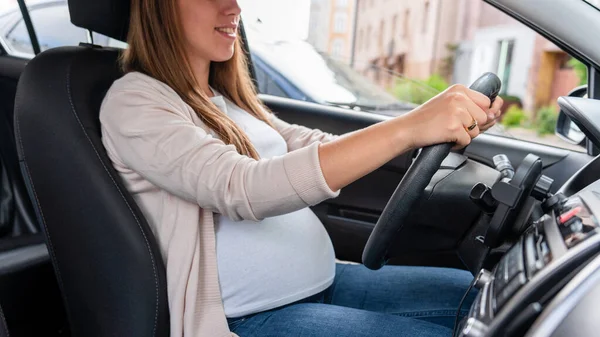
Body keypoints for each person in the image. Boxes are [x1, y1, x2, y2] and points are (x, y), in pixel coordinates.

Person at [99, 0, 503, 336]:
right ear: (158, 7)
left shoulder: (222, 98)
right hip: (251, 318)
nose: (234, 7)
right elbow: (242, 187)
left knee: (497, 300)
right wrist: (409, 128)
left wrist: (434, 125)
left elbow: (316, 147)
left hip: (329, 282)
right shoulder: (136, 100)